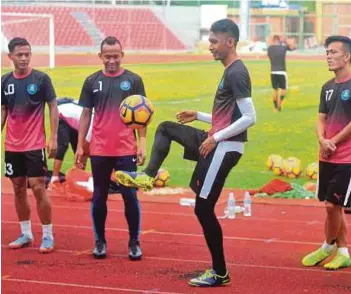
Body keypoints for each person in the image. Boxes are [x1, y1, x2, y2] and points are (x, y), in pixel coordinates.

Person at [114, 18, 256, 287]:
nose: (210, 46)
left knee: (203, 209)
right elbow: (229, 114)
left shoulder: (237, 72)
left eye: (214, 41)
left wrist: (214, 137)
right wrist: (201, 116)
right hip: (216, 139)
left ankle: (220, 272)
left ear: (230, 42)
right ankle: (148, 175)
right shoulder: (229, 70)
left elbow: (250, 117)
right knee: (167, 128)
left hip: (225, 146)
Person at [301, 36, 351, 270]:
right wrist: (322, 139)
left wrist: (333, 141)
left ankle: (327, 245)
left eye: (333, 52)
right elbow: (321, 118)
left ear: (347, 56)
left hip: (348, 156)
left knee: (332, 206)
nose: (328, 56)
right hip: (327, 153)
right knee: (334, 206)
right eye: (327, 52)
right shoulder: (327, 87)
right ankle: (342, 251)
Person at [74, 36, 147, 260]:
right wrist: (80, 146)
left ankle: (134, 242)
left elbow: (143, 114)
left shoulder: (134, 80)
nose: (112, 60)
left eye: (116, 56)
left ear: (122, 55)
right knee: (99, 196)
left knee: (130, 196)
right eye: (107, 57)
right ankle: (100, 241)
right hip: (99, 149)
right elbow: (85, 114)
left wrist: (142, 143)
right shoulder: (91, 81)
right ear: (100, 56)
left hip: (126, 149)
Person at [1, 37, 59, 253]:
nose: (24, 58)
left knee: (37, 187)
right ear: (11, 57)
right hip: (12, 146)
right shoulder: (4, 81)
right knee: (17, 188)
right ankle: (25, 233)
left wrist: (53, 137)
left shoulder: (42, 79)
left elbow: (53, 106)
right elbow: (4, 109)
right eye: (20, 54)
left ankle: (47, 235)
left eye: (27, 54)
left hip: (35, 145)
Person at [50, 97, 93, 187]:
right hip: (62, 114)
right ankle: (54, 178)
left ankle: (78, 177)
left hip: (76, 118)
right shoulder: (92, 124)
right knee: (63, 144)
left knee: (79, 147)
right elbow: (85, 148)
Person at [267, 34, 296, 111]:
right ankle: (280, 104)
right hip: (282, 71)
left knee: (275, 90)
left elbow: (270, 57)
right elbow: (293, 48)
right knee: (283, 89)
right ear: (279, 40)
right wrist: (285, 41)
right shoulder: (283, 47)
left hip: (273, 71)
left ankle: (275, 107)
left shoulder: (269, 48)